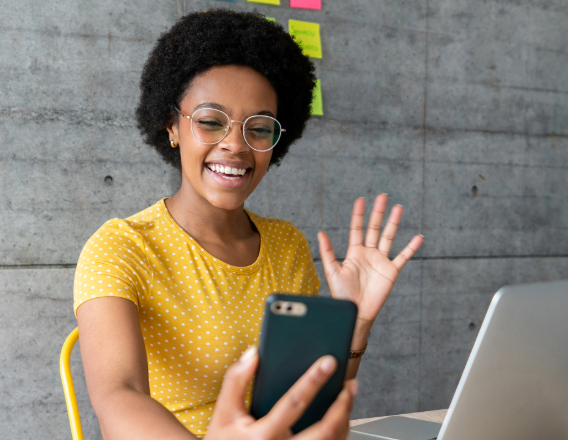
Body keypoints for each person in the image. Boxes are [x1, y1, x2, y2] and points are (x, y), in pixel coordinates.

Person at [73, 9, 423, 440]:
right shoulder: (121, 247)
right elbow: (118, 396)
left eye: (259, 128)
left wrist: (357, 322)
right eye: (210, 121)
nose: (236, 145)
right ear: (172, 127)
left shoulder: (285, 244)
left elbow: (309, 400)